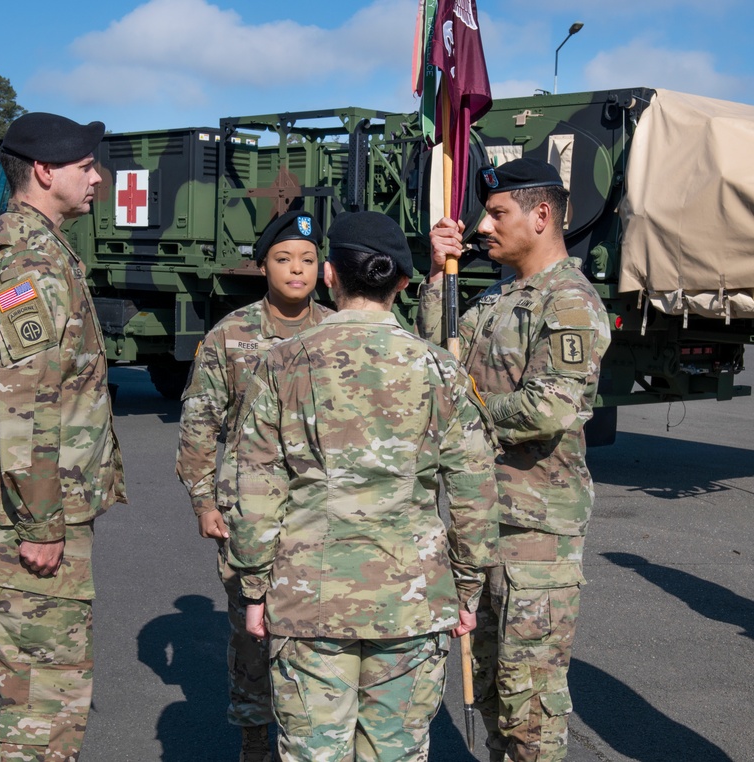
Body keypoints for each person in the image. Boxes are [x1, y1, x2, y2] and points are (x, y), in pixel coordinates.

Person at [228, 210, 499, 762]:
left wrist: (253, 589)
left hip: (308, 596)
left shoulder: (280, 364)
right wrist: (466, 590)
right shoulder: (440, 369)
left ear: (329, 275)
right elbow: (475, 490)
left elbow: (254, 489)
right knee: (395, 752)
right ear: (403, 281)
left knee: (311, 753)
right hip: (411, 597)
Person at [418, 157, 612, 762]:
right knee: (494, 694)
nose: (482, 227)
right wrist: (436, 276)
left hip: (536, 533)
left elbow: (551, 408)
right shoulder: (499, 298)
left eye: (498, 213)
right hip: (484, 524)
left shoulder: (569, 302)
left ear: (541, 215)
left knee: (530, 705)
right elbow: (436, 360)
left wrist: (464, 416)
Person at [0, 112, 127, 762]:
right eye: (87, 166)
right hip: (33, 526)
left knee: (41, 705)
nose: (99, 177)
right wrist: (39, 524)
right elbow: (25, 404)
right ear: (44, 171)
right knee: (40, 717)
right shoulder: (26, 263)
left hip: (45, 516)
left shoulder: (44, 250)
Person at [175, 209, 332, 761]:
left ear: (323, 268)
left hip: (321, 511)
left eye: (308, 260)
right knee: (252, 633)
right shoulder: (230, 336)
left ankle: (309, 736)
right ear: (262, 265)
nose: (297, 270)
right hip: (248, 510)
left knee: (318, 630)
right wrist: (201, 500)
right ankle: (254, 739)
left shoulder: (335, 331)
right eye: (284, 259)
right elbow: (199, 422)